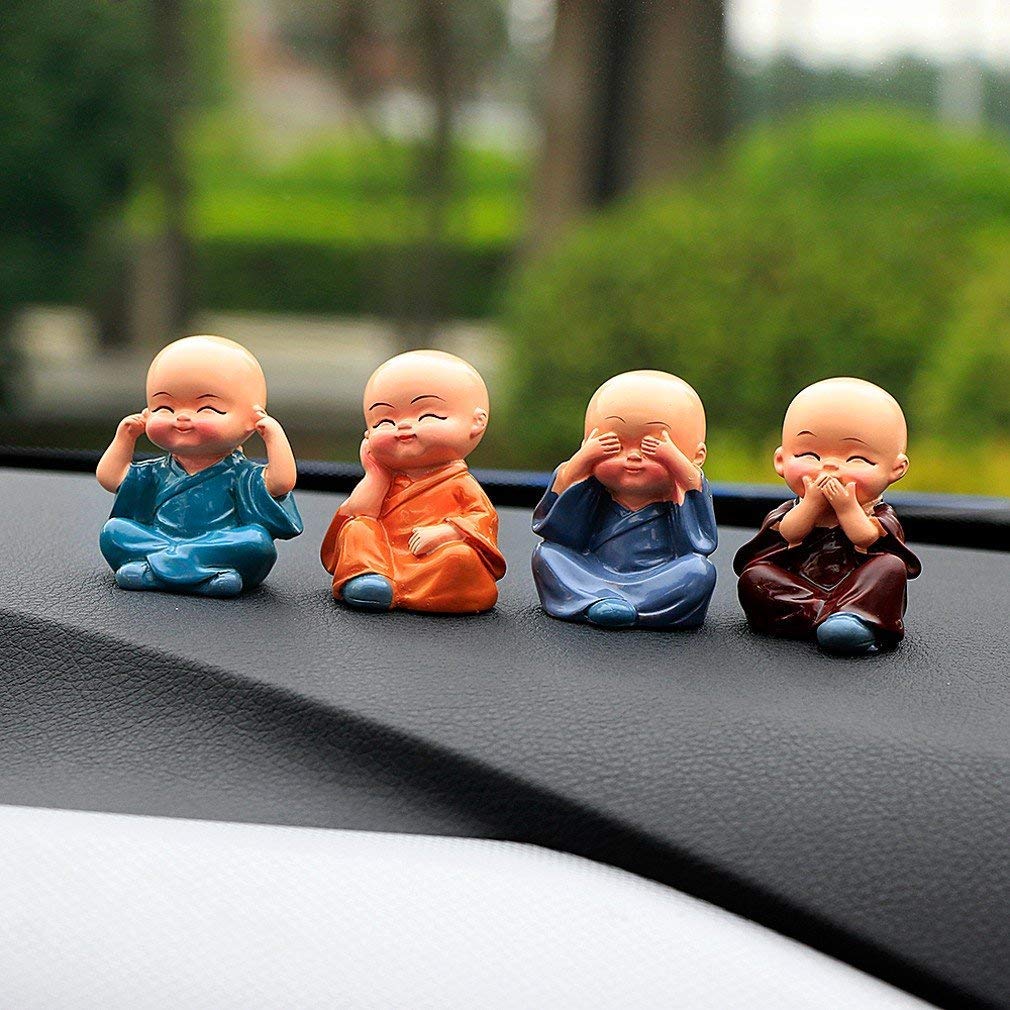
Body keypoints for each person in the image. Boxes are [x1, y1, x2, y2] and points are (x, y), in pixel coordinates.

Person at [97, 335, 302, 597]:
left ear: (252, 419)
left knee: (256, 541)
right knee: (115, 531)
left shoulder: (239, 474)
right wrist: (124, 436)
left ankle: (154, 570)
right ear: (147, 412)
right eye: (164, 407)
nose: (182, 417)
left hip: (213, 542)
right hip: (165, 538)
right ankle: (204, 574)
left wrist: (274, 436)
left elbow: (282, 482)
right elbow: (111, 478)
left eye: (207, 408)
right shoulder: (158, 471)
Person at [734, 377, 921, 655]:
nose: (829, 467)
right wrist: (809, 507)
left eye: (857, 459)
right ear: (781, 461)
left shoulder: (878, 514)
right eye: (809, 454)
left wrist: (846, 509)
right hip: (799, 584)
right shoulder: (791, 510)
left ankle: (847, 616)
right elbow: (789, 533)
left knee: (890, 567)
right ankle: (830, 615)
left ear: (896, 468)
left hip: (855, 583)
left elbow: (866, 536)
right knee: (754, 577)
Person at [321, 350, 505, 614]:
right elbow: (361, 512)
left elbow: (482, 518)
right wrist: (375, 475)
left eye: (428, 416)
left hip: (433, 558)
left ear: (476, 423)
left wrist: (446, 533)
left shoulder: (459, 483)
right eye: (384, 421)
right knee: (356, 528)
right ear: (368, 432)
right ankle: (369, 579)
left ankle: (408, 591)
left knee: (461, 558)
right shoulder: (386, 479)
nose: (404, 427)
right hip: (382, 557)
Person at [531, 370, 717, 630]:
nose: (633, 457)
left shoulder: (681, 493)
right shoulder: (593, 490)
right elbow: (557, 532)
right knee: (548, 555)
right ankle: (600, 602)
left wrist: (676, 465)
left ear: (695, 457)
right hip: (593, 571)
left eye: (651, 447)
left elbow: (700, 543)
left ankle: (629, 608)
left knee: (699, 572)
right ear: (587, 444)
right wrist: (581, 463)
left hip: (657, 578)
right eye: (615, 446)